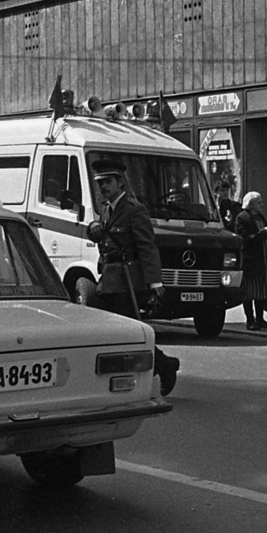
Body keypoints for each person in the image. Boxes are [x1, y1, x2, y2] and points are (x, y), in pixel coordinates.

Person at [88, 159, 180, 393]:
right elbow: (106, 241)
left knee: (132, 332)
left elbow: (147, 246)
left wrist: (154, 281)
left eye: (108, 182)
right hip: (109, 281)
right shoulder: (107, 208)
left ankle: (163, 365)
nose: (103, 187)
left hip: (128, 281)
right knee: (115, 333)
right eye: (100, 183)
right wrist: (94, 230)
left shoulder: (134, 209)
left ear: (121, 183)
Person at [234, 192, 267, 330]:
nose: (262, 205)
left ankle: (260, 318)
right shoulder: (242, 218)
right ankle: (250, 320)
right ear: (251, 204)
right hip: (252, 261)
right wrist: (262, 234)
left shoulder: (260, 217)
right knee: (250, 292)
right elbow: (243, 239)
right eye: (259, 202)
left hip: (264, 259)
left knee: (261, 291)